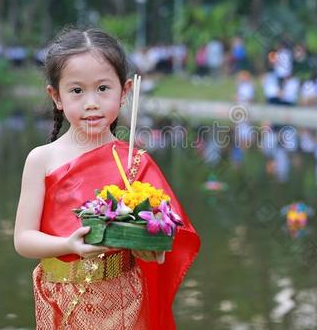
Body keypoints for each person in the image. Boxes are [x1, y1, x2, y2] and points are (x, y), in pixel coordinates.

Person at [14, 28, 200, 329]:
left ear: (125, 92)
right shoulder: (41, 160)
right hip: (60, 298)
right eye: (77, 91)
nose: (91, 103)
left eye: (103, 89)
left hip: (124, 298)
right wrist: (68, 245)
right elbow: (23, 240)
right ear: (56, 96)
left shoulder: (134, 162)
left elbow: (165, 236)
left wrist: (152, 247)